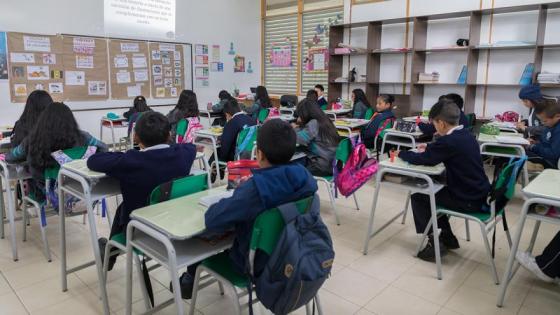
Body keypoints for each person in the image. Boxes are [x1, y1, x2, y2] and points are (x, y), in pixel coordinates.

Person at [175, 119, 318, 299]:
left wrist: (236, 196)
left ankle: (188, 280)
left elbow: (212, 219)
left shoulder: (255, 189)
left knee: (211, 240)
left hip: (256, 264)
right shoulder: (306, 178)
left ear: (259, 153)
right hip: (293, 254)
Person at [88, 111, 196, 269]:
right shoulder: (185, 154)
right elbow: (189, 146)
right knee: (122, 208)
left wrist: (125, 154)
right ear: (169, 135)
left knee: (124, 208)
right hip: (175, 223)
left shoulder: (130, 160)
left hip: (140, 231)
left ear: (136, 137)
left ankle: (111, 252)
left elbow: (93, 161)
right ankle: (111, 251)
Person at [399, 100, 490, 261]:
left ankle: (435, 244)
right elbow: (442, 152)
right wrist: (431, 148)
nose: (434, 127)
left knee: (420, 197)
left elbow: (426, 159)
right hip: (479, 192)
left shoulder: (449, 141)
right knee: (434, 192)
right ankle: (447, 238)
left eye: (433, 124)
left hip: (468, 199)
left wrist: (402, 153)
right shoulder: (466, 135)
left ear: (440, 123)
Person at [5, 102, 107, 201]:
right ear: (71, 120)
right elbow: (104, 148)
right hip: (85, 193)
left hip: (50, 195)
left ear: (43, 121)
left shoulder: (33, 139)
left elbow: (11, 157)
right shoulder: (83, 137)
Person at [294, 99, 339, 176]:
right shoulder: (325, 120)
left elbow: (300, 139)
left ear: (305, 113)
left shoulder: (314, 123)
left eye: (300, 114)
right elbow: (307, 132)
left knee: (292, 170)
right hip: (334, 164)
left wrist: (291, 129)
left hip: (322, 166)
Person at [526, 99, 560, 169]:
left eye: (545, 121)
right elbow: (544, 144)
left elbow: (553, 154)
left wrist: (533, 147)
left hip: (550, 163)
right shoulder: (549, 126)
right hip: (543, 157)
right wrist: (535, 143)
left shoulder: (558, 130)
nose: (542, 123)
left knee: (518, 156)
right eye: (541, 120)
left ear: (557, 116)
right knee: (516, 153)